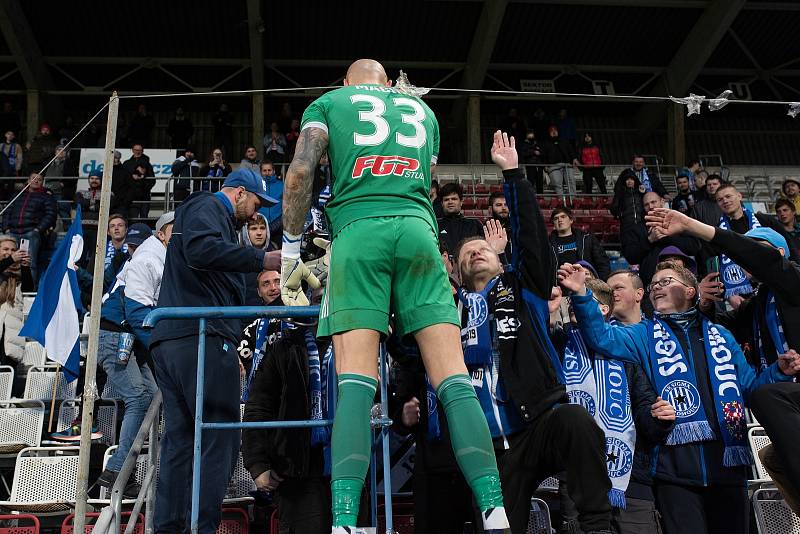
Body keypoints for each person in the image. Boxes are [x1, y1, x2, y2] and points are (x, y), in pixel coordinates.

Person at [279, 60, 510, 533]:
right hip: (419, 235)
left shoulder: (329, 103)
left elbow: (300, 174)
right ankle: (494, 508)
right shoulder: (421, 111)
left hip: (358, 232)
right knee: (453, 378)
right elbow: (423, 183)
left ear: (346, 84)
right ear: (388, 84)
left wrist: (288, 251)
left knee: (357, 386)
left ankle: (344, 520)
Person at [560, 260, 800, 534]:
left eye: (666, 281)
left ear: (690, 291)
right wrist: (581, 295)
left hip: (728, 467)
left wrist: (778, 372)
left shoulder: (721, 335)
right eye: (653, 285)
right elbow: (601, 336)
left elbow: (750, 389)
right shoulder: (643, 334)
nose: (656, 288)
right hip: (673, 472)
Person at [450, 131, 613, 534]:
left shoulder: (522, 290)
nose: (475, 251)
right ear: (455, 270)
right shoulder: (447, 309)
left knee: (575, 421)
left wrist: (513, 175)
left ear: (500, 259)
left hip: (536, 421)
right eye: (466, 252)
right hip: (486, 446)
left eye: (483, 249)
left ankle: (597, 526)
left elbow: (533, 245)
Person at [150, 168, 279, 533]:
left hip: (181, 337)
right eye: (255, 202)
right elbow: (200, 250)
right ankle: (202, 528)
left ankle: (171, 528)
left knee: (181, 440)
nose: (257, 212)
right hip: (198, 336)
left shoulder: (215, 220)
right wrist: (261, 259)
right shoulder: (206, 205)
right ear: (238, 193)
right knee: (218, 438)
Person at [553, 279, 675, 534]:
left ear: (605, 309)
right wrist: (551, 311)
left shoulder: (625, 350)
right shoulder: (558, 347)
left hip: (632, 478)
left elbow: (645, 410)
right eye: (572, 302)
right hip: (575, 476)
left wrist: (660, 419)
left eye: (583, 300)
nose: (575, 307)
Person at [242, 322, 336, 534]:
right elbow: (259, 406)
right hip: (299, 474)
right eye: (316, 297)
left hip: (352, 469)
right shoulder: (285, 347)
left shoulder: (358, 342)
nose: (320, 305)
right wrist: (258, 463)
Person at [92, 221, 158, 495]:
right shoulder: (140, 266)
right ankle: (118, 470)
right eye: (129, 246)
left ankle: (132, 465)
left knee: (154, 395)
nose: (132, 250)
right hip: (114, 336)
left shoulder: (143, 264)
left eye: (136, 245)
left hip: (127, 340)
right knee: (139, 399)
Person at [619, 191, 701, 291]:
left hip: (681, 281)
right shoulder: (636, 229)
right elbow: (631, 256)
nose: (651, 206)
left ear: (662, 201)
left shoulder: (679, 222)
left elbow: (694, 247)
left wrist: (666, 237)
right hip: (651, 285)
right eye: (646, 204)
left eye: (653, 202)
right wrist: (649, 240)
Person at [1, 173, 56, 286]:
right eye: (33, 178)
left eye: (39, 179)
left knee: (28, 263)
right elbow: (8, 211)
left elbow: (50, 215)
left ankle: (28, 292)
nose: (36, 181)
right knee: (6, 259)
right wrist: (6, 228)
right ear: (28, 180)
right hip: (12, 232)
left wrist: (37, 230)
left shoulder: (46, 196)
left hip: (30, 233)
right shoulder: (18, 195)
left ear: (42, 182)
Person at [237, 269, 283, 376]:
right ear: (259, 292)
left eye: (277, 281)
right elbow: (237, 356)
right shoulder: (253, 329)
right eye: (266, 284)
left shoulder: (304, 319)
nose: (273, 288)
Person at [0, 235, 32, 389]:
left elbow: (28, 289)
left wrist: (25, 267)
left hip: (11, 334)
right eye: (5, 249)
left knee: (8, 374)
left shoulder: (17, 274)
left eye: (13, 250)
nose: (9, 252)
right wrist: (11, 259)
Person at [549, 206, 611, 280]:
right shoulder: (548, 244)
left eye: (563, 217)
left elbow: (602, 263)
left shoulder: (587, 239)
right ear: (554, 224)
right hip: (560, 286)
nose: (559, 220)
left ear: (571, 220)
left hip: (586, 284)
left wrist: (600, 284)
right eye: (556, 218)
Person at [436, 182, 484, 256]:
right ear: (442, 204)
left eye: (454, 199)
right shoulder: (435, 225)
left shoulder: (474, 224)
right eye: (446, 200)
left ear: (461, 202)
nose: (450, 202)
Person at [74, 169, 105, 264]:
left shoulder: (107, 194)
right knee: (80, 256)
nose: (94, 180)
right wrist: (96, 204)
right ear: (88, 179)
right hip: (82, 229)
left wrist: (87, 204)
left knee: (94, 258)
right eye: (92, 178)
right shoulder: (80, 193)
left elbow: (105, 207)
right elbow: (79, 203)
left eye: (97, 178)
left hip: (98, 230)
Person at [240, 212, 272, 306]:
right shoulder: (237, 259)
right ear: (246, 231)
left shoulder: (277, 257)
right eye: (254, 229)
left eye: (262, 228)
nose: (259, 233)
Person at [543, 125, 579, 196]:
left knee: (571, 182)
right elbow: (544, 155)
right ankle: (561, 201)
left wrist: (574, 158)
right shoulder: (546, 143)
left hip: (567, 164)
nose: (554, 132)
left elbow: (571, 150)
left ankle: (573, 200)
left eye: (555, 131)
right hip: (553, 166)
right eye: (551, 131)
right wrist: (545, 165)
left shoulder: (564, 141)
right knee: (557, 183)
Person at [122, 144, 155, 220]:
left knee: (144, 217)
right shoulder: (127, 164)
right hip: (131, 195)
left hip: (144, 195)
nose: (138, 152)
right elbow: (124, 178)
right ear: (132, 150)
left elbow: (152, 180)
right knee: (132, 218)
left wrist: (145, 186)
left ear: (142, 151)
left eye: (140, 150)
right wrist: (132, 177)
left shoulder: (147, 164)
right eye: (136, 150)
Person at [259, 160, 283, 236]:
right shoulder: (256, 186)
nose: (267, 173)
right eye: (264, 170)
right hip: (260, 222)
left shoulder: (282, 185)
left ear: (274, 171)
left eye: (269, 170)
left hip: (278, 222)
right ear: (261, 172)